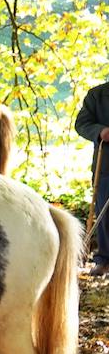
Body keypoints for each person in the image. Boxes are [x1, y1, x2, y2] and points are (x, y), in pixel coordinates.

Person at [76, 81, 109, 276]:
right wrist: (100, 131)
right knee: (105, 214)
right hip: (106, 165)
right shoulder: (97, 95)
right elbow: (81, 124)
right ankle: (104, 259)